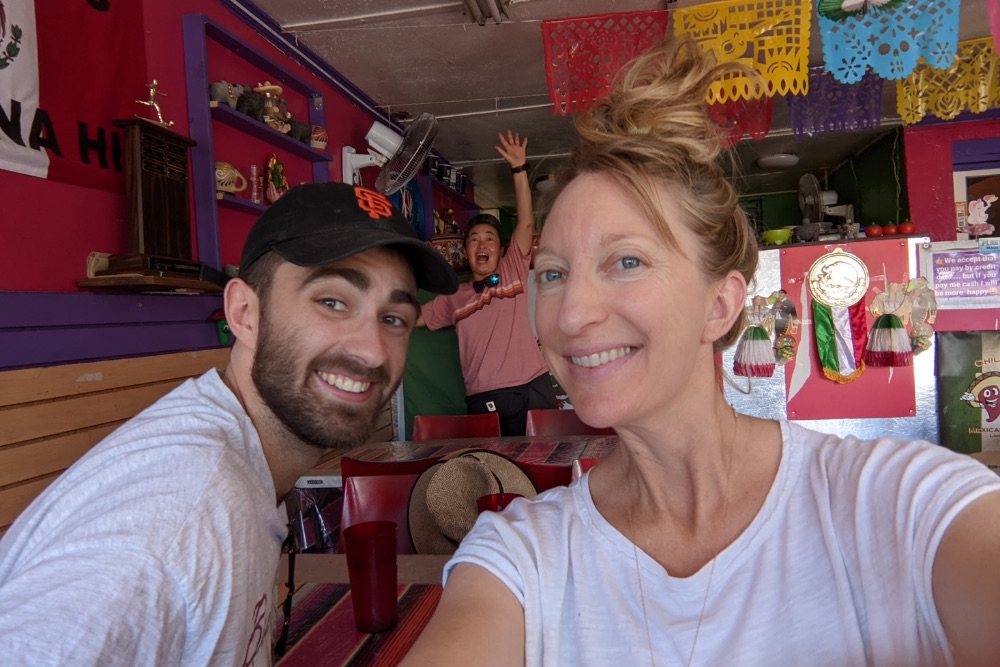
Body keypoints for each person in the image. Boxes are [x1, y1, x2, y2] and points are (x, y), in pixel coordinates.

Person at [402, 37, 1000, 666]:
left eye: (626, 261)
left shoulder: (895, 505)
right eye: (553, 273)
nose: (572, 314)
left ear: (720, 305)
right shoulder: (520, 555)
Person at [0, 182, 456, 665]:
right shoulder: (177, 517)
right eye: (332, 302)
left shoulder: (233, 472)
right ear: (244, 313)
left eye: (394, 319)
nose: (371, 350)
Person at [419, 130, 557, 435]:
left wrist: (519, 169)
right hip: (483, 399)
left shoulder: (512, 272)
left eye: (490, 240)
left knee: (546, 470)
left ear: (501, 249)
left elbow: (526, 223)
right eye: (475, 240)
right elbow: (411, 317)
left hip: (531, 388)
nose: (482, 246)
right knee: (493, 475)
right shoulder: (453, 298)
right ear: (465, 250)